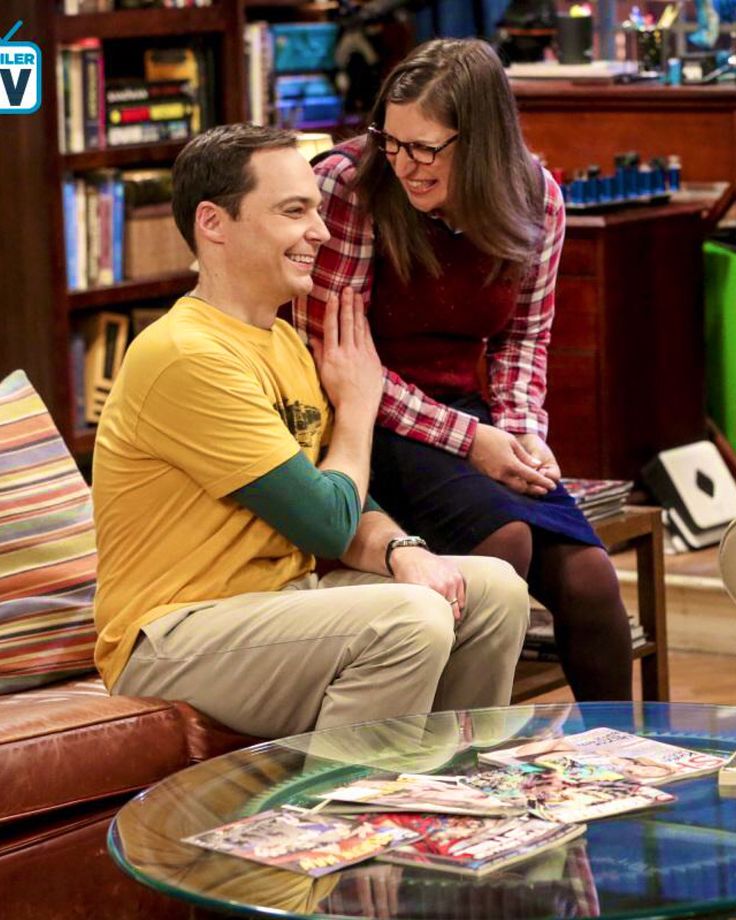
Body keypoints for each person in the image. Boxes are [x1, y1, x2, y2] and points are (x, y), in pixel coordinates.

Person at [91, 123, 529, 739]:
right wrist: (357, 407)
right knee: (408, 619)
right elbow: (324, 519)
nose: (320, 232)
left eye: (317, 211)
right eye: (294, 211)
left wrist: (402, 549)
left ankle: (456, 791)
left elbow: (345, 499)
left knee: (495, 593)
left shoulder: (286, 345)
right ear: (214, 223)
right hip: (171, 635)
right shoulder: (185, 354)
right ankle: (338, 821)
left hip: (280, 606)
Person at [296, 37, 632, 702]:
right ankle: (460, 764)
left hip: (465, 415)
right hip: (363, 415)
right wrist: (473, 442)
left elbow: (523, 346)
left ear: (479, 141)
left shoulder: (538, 198)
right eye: (390, 141)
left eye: (424, 147)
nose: (402, 164)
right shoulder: (352, 185)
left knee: (592, 578)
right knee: (503, 542)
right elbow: (337, 359)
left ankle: (624, 771)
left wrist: (524, 433)